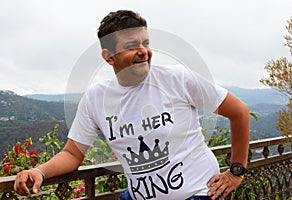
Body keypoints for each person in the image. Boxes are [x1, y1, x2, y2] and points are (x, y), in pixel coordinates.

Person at [14, 10, 250, 200]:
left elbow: (239, 111)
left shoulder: (177, 78)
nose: (143, 52)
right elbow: (72, 153)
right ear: (109, 56)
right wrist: (39, 171)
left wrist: (236, 171)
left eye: (145, 43)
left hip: (198, 193)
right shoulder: (96, 98)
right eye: (131, 45)